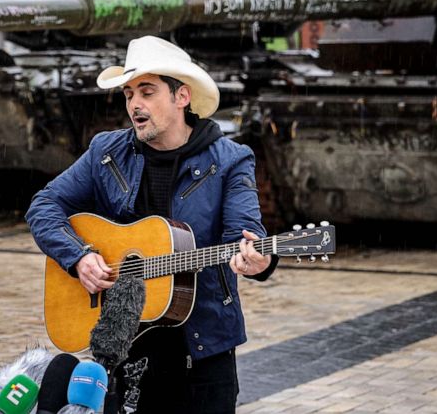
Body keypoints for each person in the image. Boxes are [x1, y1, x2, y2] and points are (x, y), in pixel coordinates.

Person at [27, 35, 278, 413]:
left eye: (147, 91)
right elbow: (44, 205)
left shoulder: (229, 159)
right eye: (129, 94)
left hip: (203, 349)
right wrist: (79, 257)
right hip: (124, 348)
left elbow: (245, 235)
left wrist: (259, 261)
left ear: (182, 97)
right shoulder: (107, 153)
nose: (134, 105)